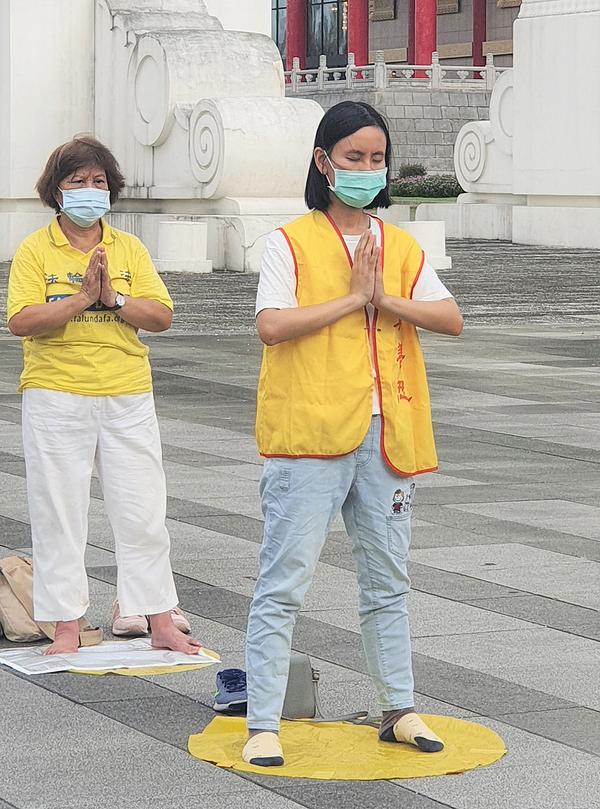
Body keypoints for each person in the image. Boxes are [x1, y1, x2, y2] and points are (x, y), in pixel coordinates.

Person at [243, 101, 464, 767]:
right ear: (322, 162)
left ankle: (399, 705)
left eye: (376, 159)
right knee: (284, 579)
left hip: (387, 432)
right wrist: (351, 296)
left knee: (387, 578)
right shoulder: (289, 242)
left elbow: (449, 317)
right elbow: (271, 326)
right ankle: (262, 720)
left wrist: (384, 298)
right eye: (353, 158)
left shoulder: (399, 246)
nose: (367, 170)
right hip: (310, 432)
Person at [7, 136, 201, 657]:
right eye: (77, 182)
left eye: (98, 182)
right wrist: (79, 300)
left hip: (126, 393)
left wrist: (113, 298)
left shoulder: (128, 249)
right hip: (55, 394)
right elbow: (21, 320)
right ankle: (66, 627)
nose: (89, 191)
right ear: (56, 191)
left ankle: (159, 618)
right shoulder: (34, 249)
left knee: (142, 510)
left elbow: (160, 316)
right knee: (59, 512)